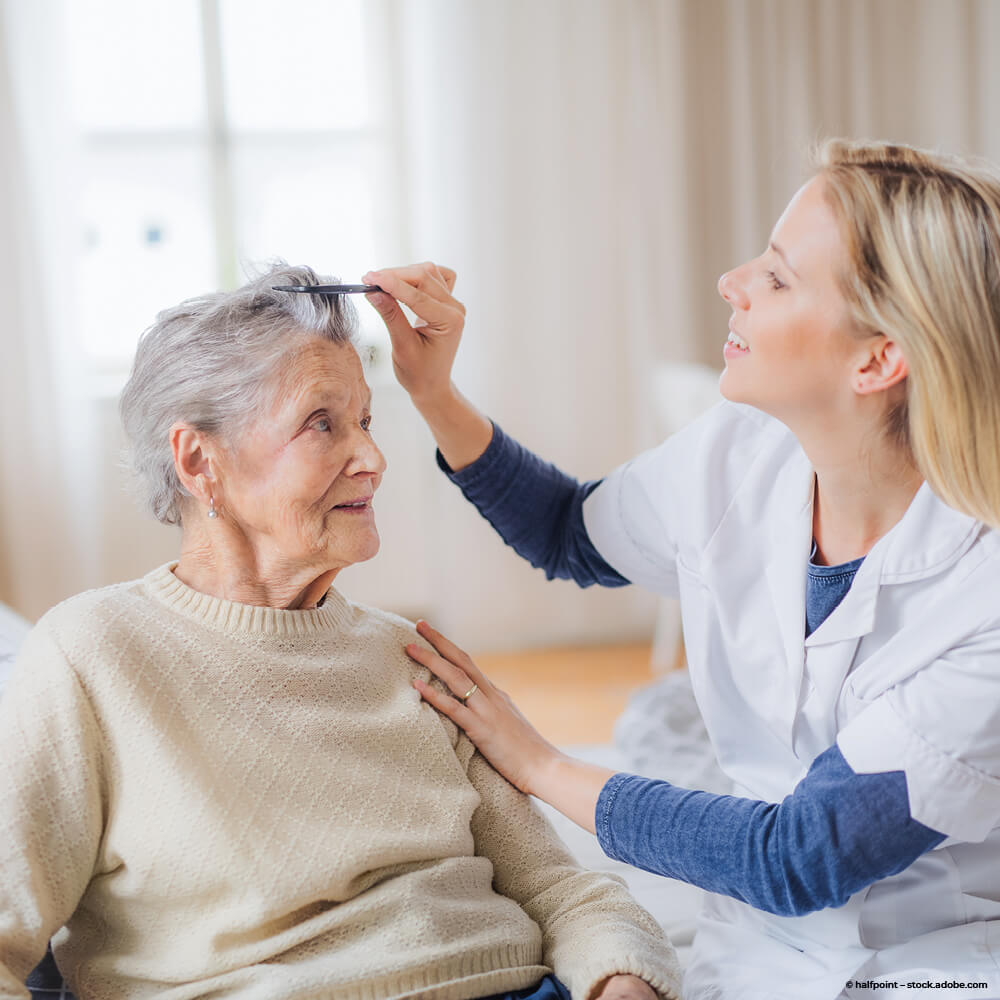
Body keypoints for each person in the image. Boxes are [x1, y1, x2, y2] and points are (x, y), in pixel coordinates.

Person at [360, 139, 1000, 1000]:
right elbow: (567, 532)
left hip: (940, 958)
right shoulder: (739, 454)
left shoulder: (984, 599)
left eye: (777, 277)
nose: (732, 282)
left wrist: (537, 761)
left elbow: (798, 860)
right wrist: (433, 391)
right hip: (756, 945)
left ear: (878, 359)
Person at [0, 265, 682, 1000]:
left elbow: (564, 893)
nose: (374, 459)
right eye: (322, 422)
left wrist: (622, 983)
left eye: (366, 420)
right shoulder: (93, 655)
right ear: (200, 462)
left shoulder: (408, 654)